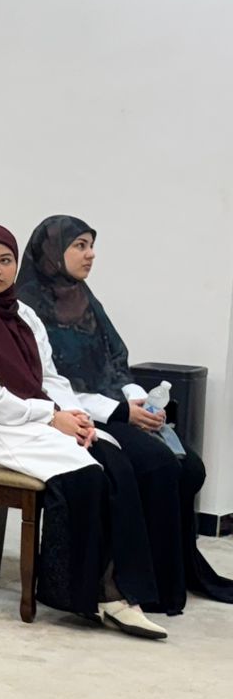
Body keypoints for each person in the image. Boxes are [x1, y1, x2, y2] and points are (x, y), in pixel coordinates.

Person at [0, 224, 168, 637]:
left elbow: (50, 377)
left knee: (112, 456)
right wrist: (50, 417)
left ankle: (123, 588)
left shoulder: (23, 314)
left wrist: (75, 416)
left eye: (5, 261)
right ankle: (92, 594)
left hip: (31, 417)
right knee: (85, 474)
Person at [18, 215, 233, 611]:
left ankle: (173, 574)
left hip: (114, 409)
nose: (90, 254)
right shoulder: (28, 307)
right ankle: (140, 584)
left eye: (91, 245)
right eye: (79, 245)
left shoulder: (83, 297)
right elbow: (49, 383)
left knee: (188, 466)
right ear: (52, 251)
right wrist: (120, 411)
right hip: (71, 416)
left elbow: (116, 361)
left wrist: (142, 403)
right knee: (156, 464)